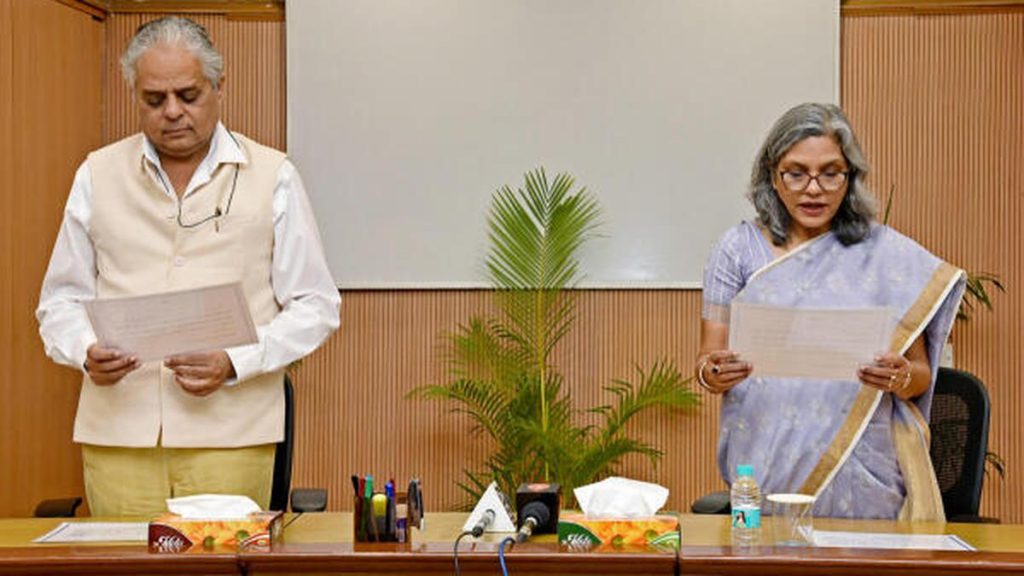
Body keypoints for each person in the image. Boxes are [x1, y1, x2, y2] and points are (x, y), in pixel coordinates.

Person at [36, 17, 340, 517]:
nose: (172, 112)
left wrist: (237, 361)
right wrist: (84, 351)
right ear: (135, 95)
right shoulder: (96, 173)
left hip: (232, 436)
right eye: (154, 99)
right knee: (122, 559)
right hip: (119, 435)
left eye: (188, 95)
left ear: (219, 86)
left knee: (221, 558)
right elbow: (59, 302)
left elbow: (316, 305)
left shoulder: (274, 175)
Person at [695, 103, 964, 520]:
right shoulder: (737, 249)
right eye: (796, 173)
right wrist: (713, 373)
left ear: (850, 176)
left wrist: (899, 377)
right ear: (772, 175)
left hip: (862, 464)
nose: (813, 188)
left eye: (830, 173)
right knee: (766, 552)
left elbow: (920, 375)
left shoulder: (885, 255)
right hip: (764, 458)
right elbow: (707, 361)